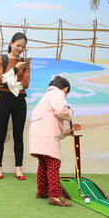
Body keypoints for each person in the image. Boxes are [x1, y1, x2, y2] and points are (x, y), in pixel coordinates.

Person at [29, 76, 79, 207]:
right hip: (46, 135)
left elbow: (50, 121)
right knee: (53, 164)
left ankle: (42, 191)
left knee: (43, 163)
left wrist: (66, 132)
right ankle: (55, 196)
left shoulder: (46, 97)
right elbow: (61, 111)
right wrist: (70, 113)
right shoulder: (57, 94)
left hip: (38, 135)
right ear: (65, 89)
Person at [0, 32, 31, 180]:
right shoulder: (1, 59)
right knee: (0, 135)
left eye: (23, 47)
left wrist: (8, 82)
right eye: (18, 45)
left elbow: (26, 84)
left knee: (18, 136)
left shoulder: (25, 62)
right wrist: (15, 69)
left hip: (19, 100)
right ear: (11, 44)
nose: (20, 49)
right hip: (3, 99)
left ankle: (18, 168)